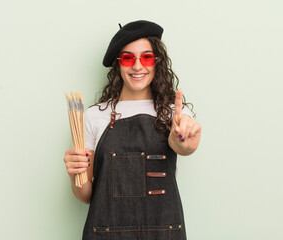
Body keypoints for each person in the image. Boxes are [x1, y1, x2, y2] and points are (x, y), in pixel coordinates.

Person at [64, 20, 201, 240]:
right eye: (128, 58)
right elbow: (86, 195)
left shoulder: (174, 113)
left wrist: (183, 137)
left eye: (146, 57)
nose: (137, 66)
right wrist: (75, 174)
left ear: (157, 62)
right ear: (118, 64)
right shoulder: (93, 116)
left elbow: (184, 146)